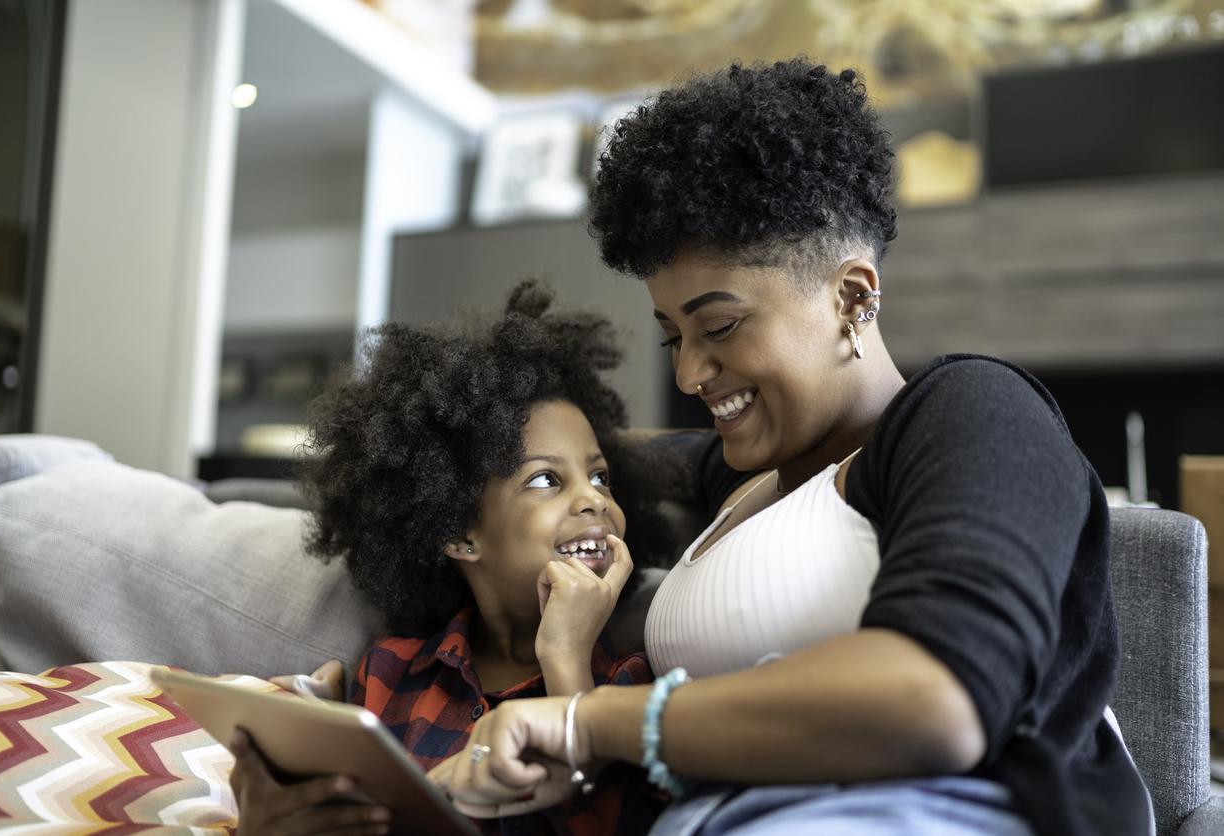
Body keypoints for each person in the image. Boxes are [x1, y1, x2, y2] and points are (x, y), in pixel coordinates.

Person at [429, 58, 1153, 836]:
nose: (688, 372)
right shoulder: (738, 476)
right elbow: (524, 466)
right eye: (672, 335)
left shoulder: (970, 412)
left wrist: (587, 723)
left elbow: (935, 697)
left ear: (850, 297)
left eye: (719, 327)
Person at [228, 280, 683, 836]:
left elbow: (612, 820)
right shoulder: (388, 672)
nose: (593, 498)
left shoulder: (630, 685)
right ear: (459, 534)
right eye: (546, 479)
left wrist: (566, 656)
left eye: (600, 476)